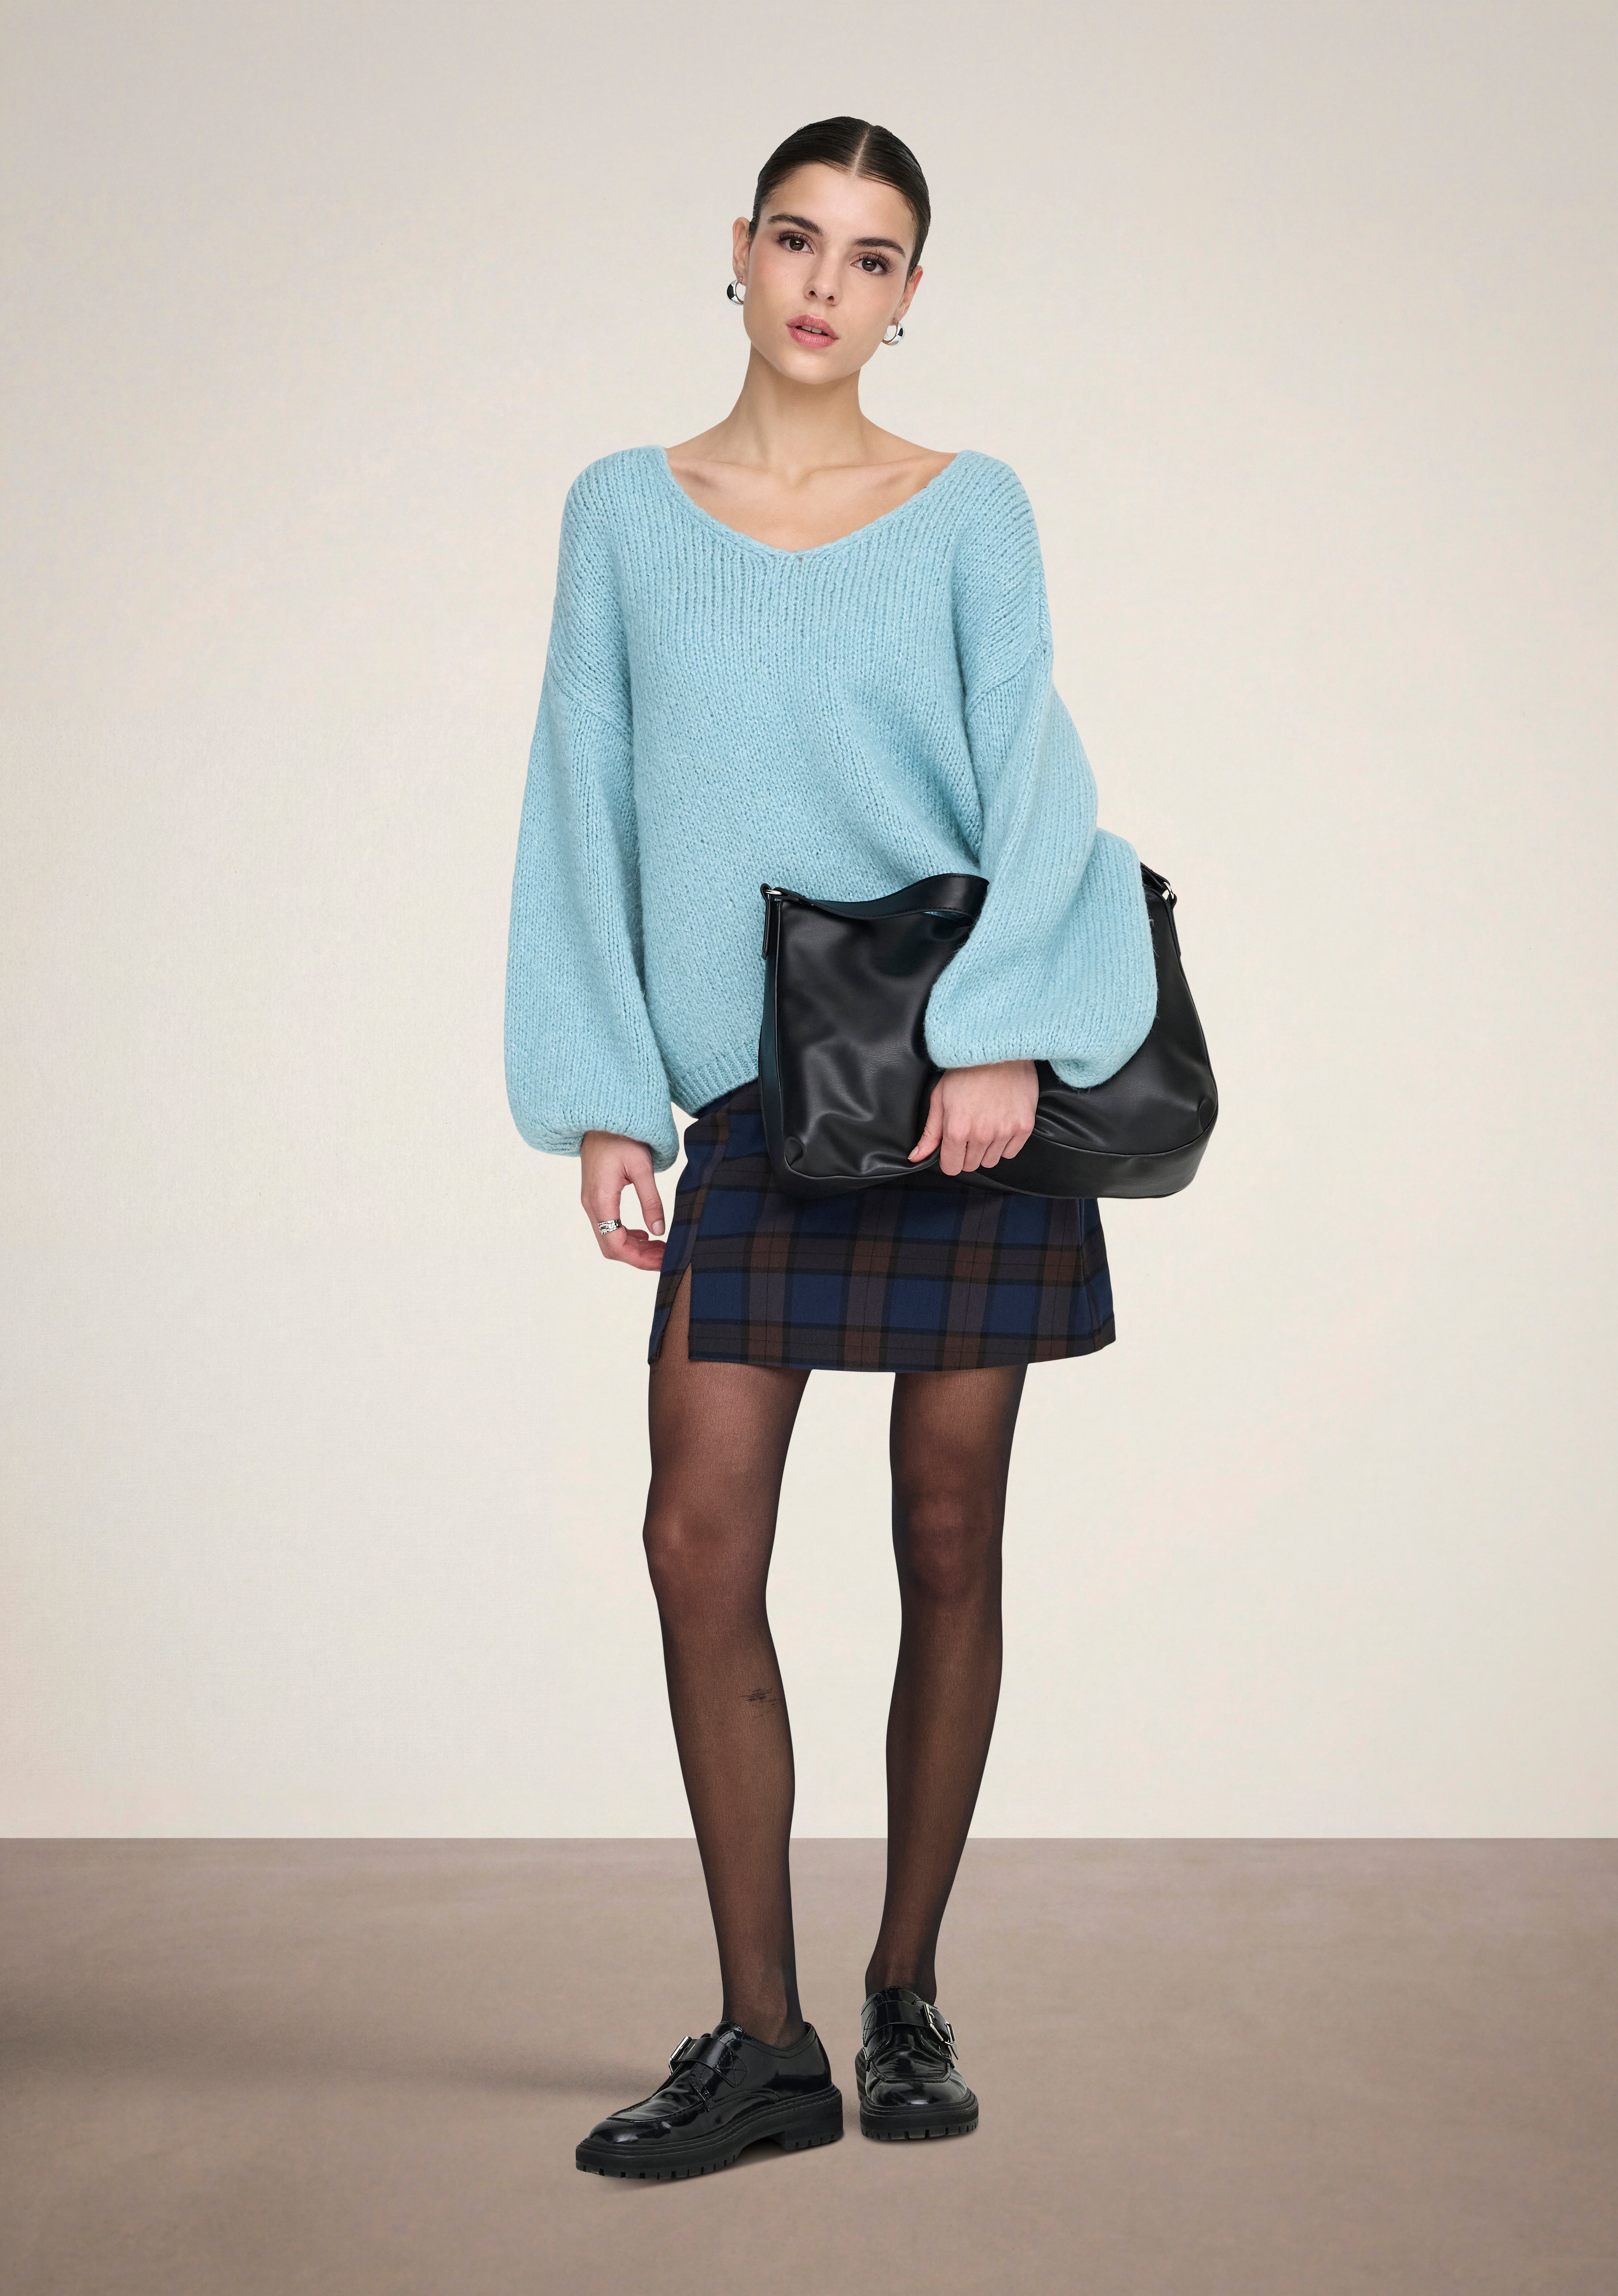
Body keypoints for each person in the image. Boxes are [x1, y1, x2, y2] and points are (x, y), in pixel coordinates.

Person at [504, 116, 1157, 2180]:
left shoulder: (970, 509)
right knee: (695, 1538)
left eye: (872, 258)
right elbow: (581, 790)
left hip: (958, 1089)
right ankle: (765, 2041)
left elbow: (1034, 775)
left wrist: (1006, 1031)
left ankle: (904, 1993)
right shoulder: (623, 511)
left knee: (947, 1535)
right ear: (742, 248)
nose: (825, 285)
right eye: (799, 240)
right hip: (750, 1101)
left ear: (908, 295)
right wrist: (603, 1087)